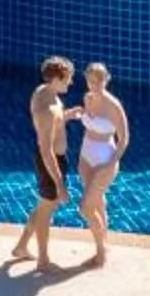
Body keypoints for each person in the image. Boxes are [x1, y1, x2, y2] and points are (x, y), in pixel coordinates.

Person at [16, 57, 74, 270]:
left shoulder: (45, 92)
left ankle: (21, 247)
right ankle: (43, 260)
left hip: (54, 159)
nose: (70, 83)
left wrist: (69, 115)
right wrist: (60, 184)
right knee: (46, 211)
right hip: (51, 162)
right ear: (56, 79)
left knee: (43, 206)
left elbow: (55, 123)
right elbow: (46, 150)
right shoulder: (46, 109)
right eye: (67, 79)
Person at [74, 63, 130, 269]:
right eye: (90, 81)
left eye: (98, 81)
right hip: (86, 156)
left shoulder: (114, 105)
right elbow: (88, 124)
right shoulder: (87, 98)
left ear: (105, 80)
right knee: (97, 201)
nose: (94, 85)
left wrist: (111, 163)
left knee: (86, 207)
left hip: (105, 159)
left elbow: (124, 139)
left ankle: (101, 253)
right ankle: (104, 241)